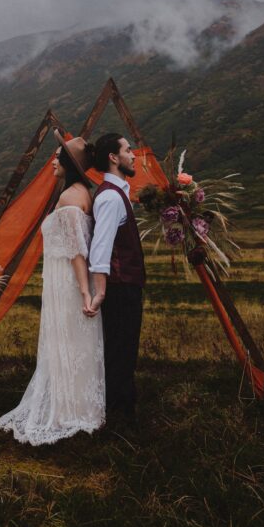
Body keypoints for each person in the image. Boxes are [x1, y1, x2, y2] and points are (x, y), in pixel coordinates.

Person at [0, 130, 105, 445]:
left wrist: (85, 292)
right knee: (75, 343)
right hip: (67, 278)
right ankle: (80, 405)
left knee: (66, 341)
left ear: (70, 164)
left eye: (59, 156)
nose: (53, 160)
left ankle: (67, 410)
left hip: (68, 282)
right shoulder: (83, 191)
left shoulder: (70, 197)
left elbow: (75, 251)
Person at [85, 133, 144, 420]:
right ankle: (118, 416)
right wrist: (102, 292)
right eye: (128, 150)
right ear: (113, 157)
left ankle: (121, 408)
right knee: (120, 351)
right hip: (120, 289)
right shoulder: (110, 197)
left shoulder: (118, 193)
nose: (133, 155)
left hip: (126, 285)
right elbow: (101, 247)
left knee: (124, 349)